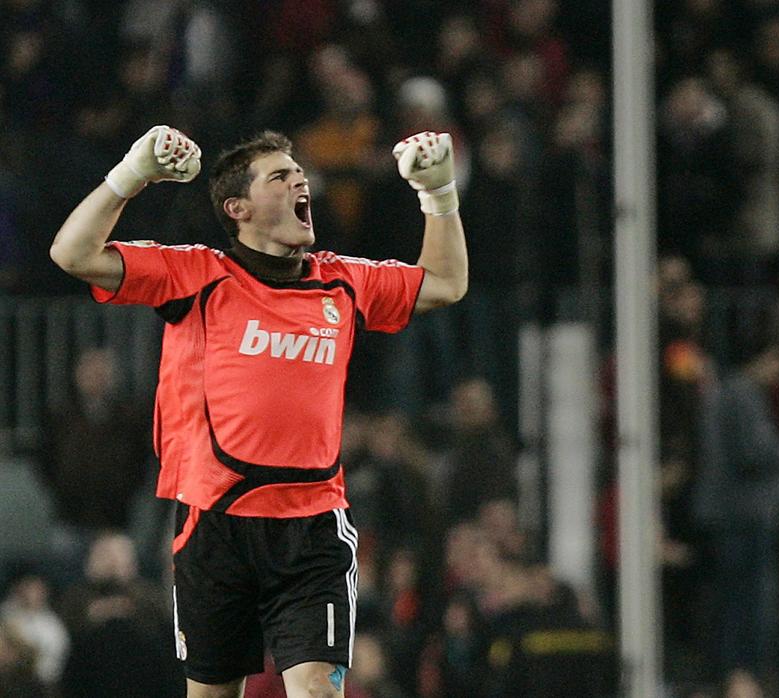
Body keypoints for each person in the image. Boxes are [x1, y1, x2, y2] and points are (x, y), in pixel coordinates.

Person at [48, 124, 468, 697]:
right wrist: (132, 174)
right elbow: (72, 253)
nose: (302, 182)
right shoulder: (198, 276)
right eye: (281, 176)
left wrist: (438, 195)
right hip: (215, 522)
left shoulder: (341, 282)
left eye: (300, 174)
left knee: (319, 692)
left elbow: (445, 283)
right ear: (237, 207)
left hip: (313, 526)